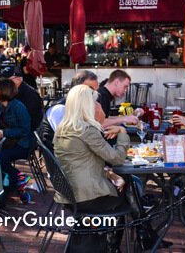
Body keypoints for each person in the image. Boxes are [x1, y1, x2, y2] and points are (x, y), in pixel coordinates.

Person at [53, 84, 131, 252]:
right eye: (95, 102)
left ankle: (141, 235)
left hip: (68, 194)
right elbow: (117, 158)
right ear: (87, 105)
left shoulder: (62, 129)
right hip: (87, 197)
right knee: (130, 190)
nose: (98, 105)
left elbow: (82, 163)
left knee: (126, 188)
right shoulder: (87, 130)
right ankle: (119, 245)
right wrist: (123, 133)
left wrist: (109, 174)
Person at [0, 78, 33, 202]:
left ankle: (18, 177)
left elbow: (25, 130)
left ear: (4, 91)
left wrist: (4, 133)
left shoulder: (18, 107)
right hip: (8, 143)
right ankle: (15, 184)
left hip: (22, 144)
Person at [0, 64, 44, 131]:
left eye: (7, 80)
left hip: (26, 134)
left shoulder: (29, 94)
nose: (3, 84)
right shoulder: (14, 92)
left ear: (18, 79)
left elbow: (27, 121)